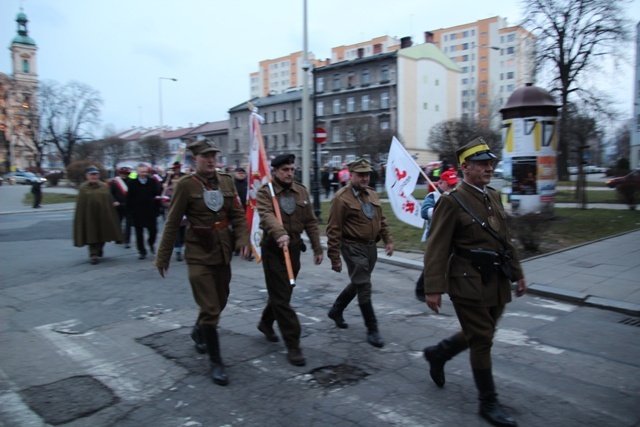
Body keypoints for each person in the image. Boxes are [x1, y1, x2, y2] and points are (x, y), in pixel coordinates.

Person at [422, 137, 527, 427]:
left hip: (496, 279)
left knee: (480, 331)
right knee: (482, 338)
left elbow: (505, 239)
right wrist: (433, 287)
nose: (489, 167)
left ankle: (438, 353)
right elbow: (436, 246)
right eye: (482, 163)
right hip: (466, 281)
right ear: (464, 167)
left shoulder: (492, 196)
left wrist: (518, 272)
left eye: (490, 162)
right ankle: (487, 403)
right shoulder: (452, 202)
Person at [154, 139, 250, 386]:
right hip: (198, 252)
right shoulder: (186, 185)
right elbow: (173, 221)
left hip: (223, 250)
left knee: (219, 300)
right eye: (205, 156)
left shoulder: (226, 181)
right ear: (194, 159)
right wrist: (163, 256)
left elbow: (238, 215)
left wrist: (242, 239)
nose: (210, 160)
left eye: (213, 156)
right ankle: (216, 362)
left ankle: (199, 329)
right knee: (210, 307)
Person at [255, 154, 323, 366]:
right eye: (285, 170)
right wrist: (279, 232)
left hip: (293, 250)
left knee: (284, 291)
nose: (289, 173)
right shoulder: (266, 192)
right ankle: (293, 344)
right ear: (275, 171)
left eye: (292, 169)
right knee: (282, 299)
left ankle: (266, 322)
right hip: (274, 250)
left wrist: (317, 247)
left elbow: (311, 221)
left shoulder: (300, 191)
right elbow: (266, 215)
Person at [326, 158, 394, 348]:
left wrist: (388, 239)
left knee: (358, 282)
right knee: (364, 284)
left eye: (367, 174)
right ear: (351, 175)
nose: (365, 178)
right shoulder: (341, 198)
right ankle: (372, 329)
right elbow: (333, 229)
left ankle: (336, 310)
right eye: (361, 175)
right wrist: (334, 257)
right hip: (352, 247)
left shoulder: (372, 194)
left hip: (371, 247)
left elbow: (382, 219)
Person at [414, 170, 458, 302]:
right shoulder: (433, 196)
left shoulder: (456, 196)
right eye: (449, 184)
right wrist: (441, 210)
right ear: (440, 183)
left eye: (454, 184)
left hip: (451, 237)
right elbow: (424, 212)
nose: (452, 187)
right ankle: (421, 289)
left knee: (451, 264)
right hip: (435, 237)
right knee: (433, 264)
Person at [73, 166, 122, 264]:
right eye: (91, 175)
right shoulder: (83, 188)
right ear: (87, 176)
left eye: (95, 174)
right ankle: (93, 254)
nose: (93, 177)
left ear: (98, 175)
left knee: (103, 232)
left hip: (103, 214)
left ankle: (100, 248)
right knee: (91, 233)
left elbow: (109, 199)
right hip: (89, 216)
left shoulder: (104, 186)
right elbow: (81, 205)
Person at [127, 163, 161, 260]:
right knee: (139, 232)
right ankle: (142, 251)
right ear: (138, 172)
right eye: (142, 172)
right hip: (137, 211)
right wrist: (129, 211)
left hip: (150, 211)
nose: (144, 174)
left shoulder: (152, 181)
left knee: (153, 231)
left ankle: (151, 243)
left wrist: (158, 209)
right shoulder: (132, 183)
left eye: (145, 172)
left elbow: (157, 195)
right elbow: (129, 198)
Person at [160, 163, 186, 261]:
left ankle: (182, 246)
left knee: (183, 233)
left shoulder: (185, 189)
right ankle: (178, 251)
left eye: (178, 179)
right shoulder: (169, 189)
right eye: (174, 178)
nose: (176, 180)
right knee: (176, 234)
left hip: (184, 215)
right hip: (173, 214)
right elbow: (164, 201)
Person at [111, 166, 132, 248]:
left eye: (125, 173)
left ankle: (127, 241)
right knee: (117, 223)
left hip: (128, 205)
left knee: (128, 224)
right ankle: (119, 238)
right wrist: (114, 201)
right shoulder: (115, 182)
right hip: (118, 205)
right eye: (122, 173)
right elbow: (111, 193)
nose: (124, 175)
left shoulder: (131, 182)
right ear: (119, 173)